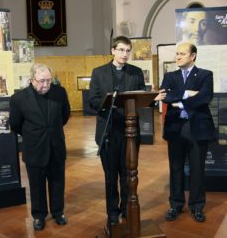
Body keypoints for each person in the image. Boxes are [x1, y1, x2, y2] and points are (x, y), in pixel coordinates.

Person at [88, 36, 155, 226]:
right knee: (110, 176)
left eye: (128, 51)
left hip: (130, 133)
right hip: (108, 131)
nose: (125, 54)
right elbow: (92, 101)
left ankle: (126, 208)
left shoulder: (136, 73)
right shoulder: (98, 73)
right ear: (113, 50)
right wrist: (108, 102)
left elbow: (141, 98)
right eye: (121, 50)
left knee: (128, 174)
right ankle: (112, 212)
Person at [9, 63, 70, 231]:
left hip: (56, 146)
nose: (46, 85)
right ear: (32, 80)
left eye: (49, 81)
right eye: (42, 81)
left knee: (58, 182)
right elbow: (15, 124)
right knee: (36, 185)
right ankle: (39, 215)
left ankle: (58, 212)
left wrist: (51, 130)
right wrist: (34, 134)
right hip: (34, 147)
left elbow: (65, 116)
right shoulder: (18, 99)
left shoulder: (60, 93)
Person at [160, 42, 215, 222]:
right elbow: (165, 96)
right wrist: (188, 94)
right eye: (176, 54)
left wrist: (179, 100)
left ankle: (197, 206)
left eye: (182, 54)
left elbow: (205, 97)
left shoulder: (206, 75)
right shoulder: (170, 76)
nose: (177, 57)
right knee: (175, 168)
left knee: (197, 169)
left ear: (193, 56)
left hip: (197, 129)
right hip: (175, 128)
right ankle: (175, 204)